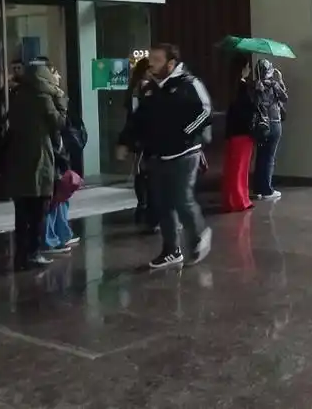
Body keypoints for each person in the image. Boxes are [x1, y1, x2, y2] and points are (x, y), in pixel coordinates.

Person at [118, 44, 214, 270]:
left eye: (157, 60)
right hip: (158, 155)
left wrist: (185, 134)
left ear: (171, 64)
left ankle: (199, 234)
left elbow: (205, 112)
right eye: (151, 59)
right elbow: (138, 119)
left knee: (181, 199)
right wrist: (125, 141)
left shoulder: (189, 84)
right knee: (162, 204)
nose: (151, 63)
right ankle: (171, 250)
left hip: (185, 153)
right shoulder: (151, 89)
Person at [4, 60, 67, 270]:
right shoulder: (44, 97)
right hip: (39, 159)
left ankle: (21, 255)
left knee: (21, 212)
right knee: (39, 209)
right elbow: (58, 123)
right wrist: (60, 99)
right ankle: (33, 253)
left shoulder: (18, 95)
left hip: (18, 157)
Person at [44, 61, 85, 253]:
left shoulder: (55, 96)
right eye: (55, 73)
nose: (59, 77)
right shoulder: (47, 98)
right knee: (53, 198)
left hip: (60, 154)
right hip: (52, 154)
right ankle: (50, 238)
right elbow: (58, 123)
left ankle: (62, 233)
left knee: (61, 196)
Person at [221, 57, 256, 212]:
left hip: (232, 133)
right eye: (248, 66)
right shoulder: (243, 88)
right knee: (241, 169)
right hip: (243, 133)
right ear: (243, 68)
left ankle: (231, 199)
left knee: (232, 168)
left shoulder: (230, 87)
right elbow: (247, 111)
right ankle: (240, 199)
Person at [126, 57, 157, 232]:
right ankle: (144, 205)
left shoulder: (138, 87)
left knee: (141, 170)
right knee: (143, 170)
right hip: (143, 136)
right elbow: (136, 113)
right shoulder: (142, 88)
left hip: (139, 135)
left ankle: (143, 204)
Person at [250, 58, 288, 201]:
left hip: (261, 125)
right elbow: (285, 98)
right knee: (270, 157)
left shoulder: (255, 86)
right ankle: (267, 189)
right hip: (274, 123)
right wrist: (281, 80)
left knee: (261, 156)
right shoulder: (274, 84)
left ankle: (258, 188)